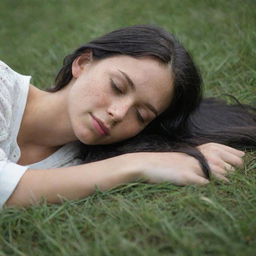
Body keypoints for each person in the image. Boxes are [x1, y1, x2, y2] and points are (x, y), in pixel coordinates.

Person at [0, 25, 253, 208]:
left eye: (141, 115)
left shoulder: (78, 165)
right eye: (117, 87)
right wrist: (138, 165)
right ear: (83, 63)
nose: (118, 113)